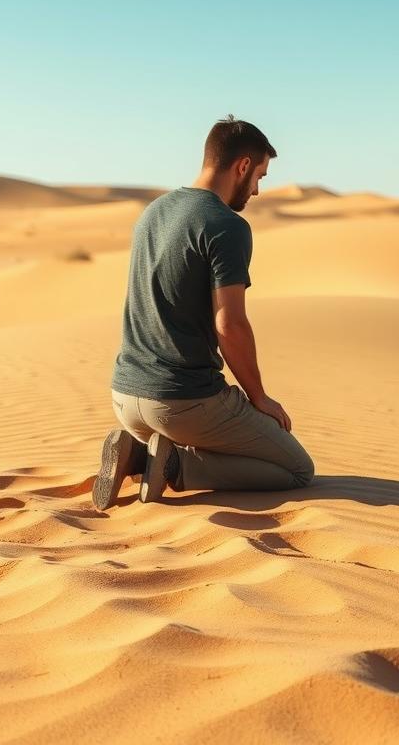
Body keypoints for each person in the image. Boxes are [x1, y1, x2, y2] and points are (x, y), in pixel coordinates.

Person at [92, 115, 316, 510]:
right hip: (182, 404)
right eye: (260, 176)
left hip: (125, 396)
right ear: (242, 166)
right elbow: (229, 324)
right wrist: (259, 396)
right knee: (298, 469)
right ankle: (173, 465)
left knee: (217, 437)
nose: (258, 190)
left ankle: (141, 454)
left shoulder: (153, 213)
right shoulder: (226, 225)